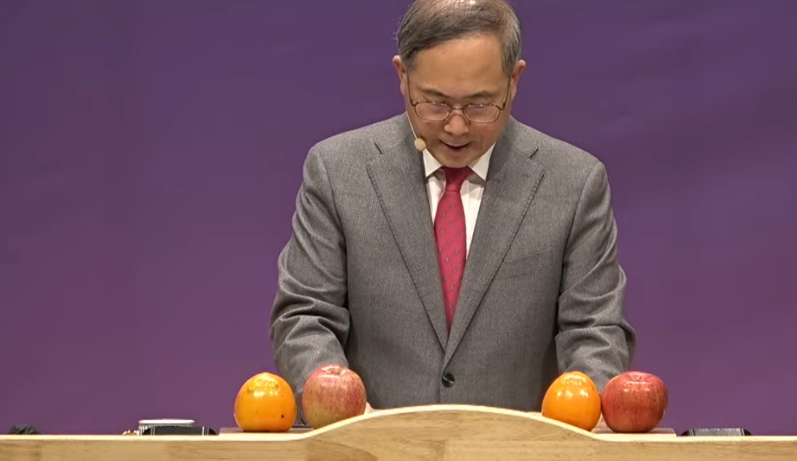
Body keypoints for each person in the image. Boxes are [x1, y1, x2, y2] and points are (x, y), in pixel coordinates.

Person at [269, 0, 636, 421]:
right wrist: (348, 417)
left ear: (514, 81)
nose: (457, 127)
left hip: (521, 448)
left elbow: (595, 330)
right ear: (403, 77)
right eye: (435, 103)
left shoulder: (574, 182)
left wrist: (575, 423)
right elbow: (305, 316)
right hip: (366, 444)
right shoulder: (337, 172)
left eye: (480, 105)